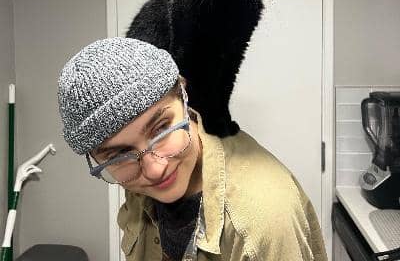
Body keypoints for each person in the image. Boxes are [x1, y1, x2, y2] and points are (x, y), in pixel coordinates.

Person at [57, 37, 328, 261]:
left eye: (161, 129)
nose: (154, 170)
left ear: (183, 96)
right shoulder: (141, 173)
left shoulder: (262, 222)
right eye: (120, 155)